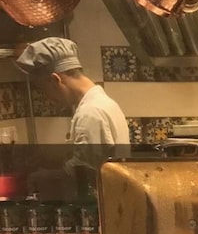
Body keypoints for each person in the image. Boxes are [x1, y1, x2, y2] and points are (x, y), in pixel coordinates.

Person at [15, 38, 130, 191]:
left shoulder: (89, 113)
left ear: (55, 79)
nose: (48, 98)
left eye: (43, 90)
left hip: (102, 202)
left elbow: (84, 176)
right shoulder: (105, 102)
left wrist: (43, 176)